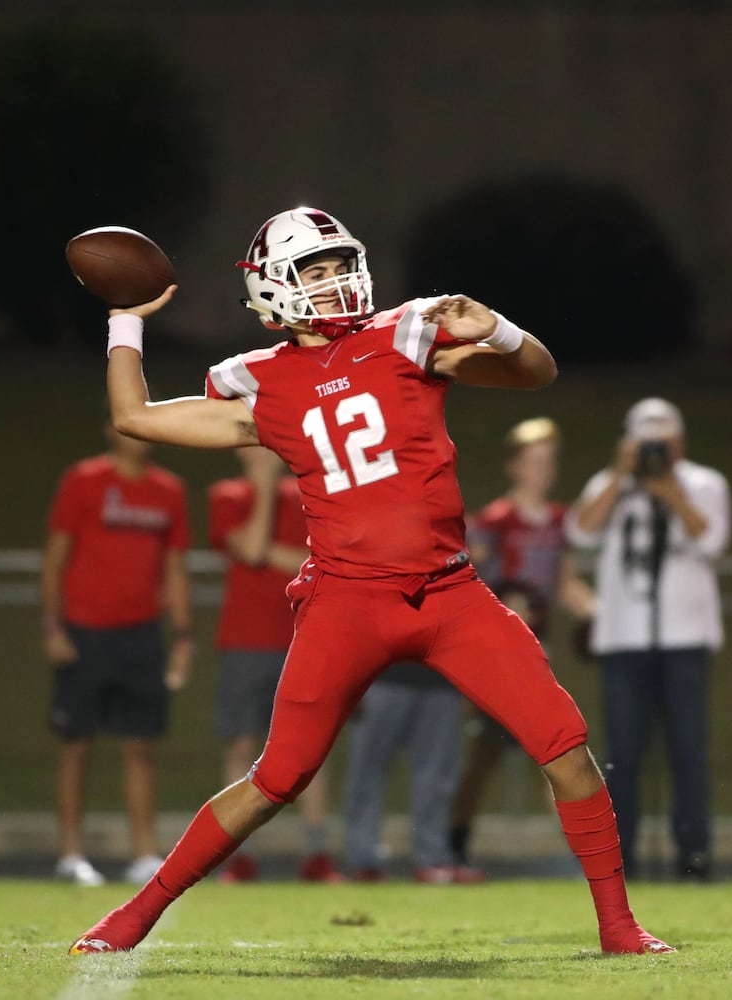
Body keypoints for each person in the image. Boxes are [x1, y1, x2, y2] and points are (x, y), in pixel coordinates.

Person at [69, 206, 670, 956]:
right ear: (274, 291)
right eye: (313, 272)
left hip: (450, 593)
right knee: (276, 778)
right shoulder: (260, 384)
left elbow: (535, 373)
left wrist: (500, 328)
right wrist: (126, 320)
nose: (334, 281)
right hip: (346, 602)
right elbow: (134, 416)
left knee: (567, 749)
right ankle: (133, 915)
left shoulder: (408, 335)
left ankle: (620, 928)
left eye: (338, 264)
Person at [565, 398, 731, 881]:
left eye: (664, 440)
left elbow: (713, 542)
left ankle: (694, 855)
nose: (657, 450)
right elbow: (580, 530)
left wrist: (672, 493)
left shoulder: (704, 483)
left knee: (688, 752)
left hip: (686, 638)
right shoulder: (611, 484)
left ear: (680, 440)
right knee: (622, 755)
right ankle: (620, 859)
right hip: (623, 639)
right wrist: (620, 475)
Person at [40, 422, 193, 887]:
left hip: (142, 634)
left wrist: (184, 636)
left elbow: (174, 568)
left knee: (141, 746)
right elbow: (55, 557)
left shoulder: (168, 491)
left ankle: (144, 854)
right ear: (111, 429)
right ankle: (71, 855)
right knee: (76, 745)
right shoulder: (84, 481)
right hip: (85, 632)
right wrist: (52, 625)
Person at [450, 417, 595, 869]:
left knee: (553, 749)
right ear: (514, 466)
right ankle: (454, 839)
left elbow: (566, 583)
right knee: (485, 755)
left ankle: (582, 851)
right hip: (499, 653)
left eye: (549, 462)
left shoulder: (558, 521)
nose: (542, 470)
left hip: (539, 649)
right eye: (533, 461)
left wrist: (601, 616)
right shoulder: (495, 521)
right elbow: (469, 579)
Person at [207, 445, 338, 884]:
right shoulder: (227, 495)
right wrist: (263, 491)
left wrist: (274, 554)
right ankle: (238, 855)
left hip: (300, 640)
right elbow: (253, 547)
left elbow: (321, 562)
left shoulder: (306, 496)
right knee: (242, 746)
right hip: (244, 642)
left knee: (309, 751)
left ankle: (316, 853)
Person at [341, 659, 467, 883]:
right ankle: (364, 862)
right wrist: (350, 681)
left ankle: (434, 861)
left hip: (440, 681)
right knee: (367, 774)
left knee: (436, 778)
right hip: (379, 679)